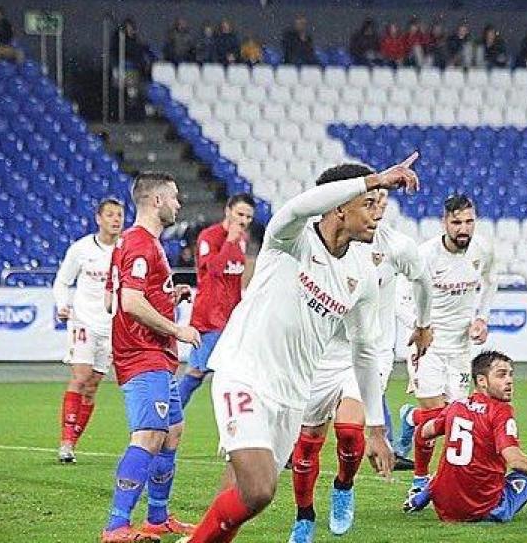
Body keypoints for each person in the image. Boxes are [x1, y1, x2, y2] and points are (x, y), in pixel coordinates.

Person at [174, 154, 425, 543]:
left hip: (292, 398)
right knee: (258, 490)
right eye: (369, 204)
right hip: (246, 375)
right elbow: (301, 205)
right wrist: (374, 179)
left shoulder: (361, 275)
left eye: (380, 205)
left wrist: (376, 427)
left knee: (239, 496)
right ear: (338, 207)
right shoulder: (290, 238)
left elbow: (364, 352)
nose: (379, 215)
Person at [287, 189, 432, 543]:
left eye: (382, 198)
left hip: (369, 353)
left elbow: (423, 281)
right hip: (320, 354)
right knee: (307, 445)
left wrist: (424, 324)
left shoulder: (397, 246)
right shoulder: (315, 243)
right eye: (369, 198)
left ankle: (343, 486)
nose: (377, 204)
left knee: (351, 432)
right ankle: (304, 515)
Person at [101, 172, 199, 542]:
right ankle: (116, 525)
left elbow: (111, 299)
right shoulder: (141, 243)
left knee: (172, 431)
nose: (178, 204)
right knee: (148, 435)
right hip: (143, 354)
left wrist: (169, 298)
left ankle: (157, 518)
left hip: (154, 353)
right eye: (174, 198)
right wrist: (177, 330)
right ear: (156, 201)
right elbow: (128, 302)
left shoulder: (134, 242)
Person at [404, 350, 527, 522]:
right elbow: (515, 461)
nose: (509, 381)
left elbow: (423, 432)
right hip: (483, 509)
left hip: (444, 507)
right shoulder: (500, 411)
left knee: (461, 460)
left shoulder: (456, 406)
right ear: (482, 381)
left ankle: (425, 492)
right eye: (501, 375)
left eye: (511, 374)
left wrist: (421, 474)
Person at [396, 194, 497, 497]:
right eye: (457, 222)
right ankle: (419, 479)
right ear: (445, 222)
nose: (463, 228)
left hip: (461, 347)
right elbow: (399, 298)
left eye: (469, 221)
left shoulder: (483, 249)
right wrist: (420, 327)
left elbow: (491, 282)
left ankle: (408, 418)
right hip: (427, 346)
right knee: (436, 412)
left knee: (454, 415)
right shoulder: (425, 255)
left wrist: (482, 317)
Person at [53, 198, 125, 464]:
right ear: (99, 218)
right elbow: (62, 281)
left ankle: (73, 442)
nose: (115, 220)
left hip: (112, 327)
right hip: (83, 321)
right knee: (81, 376)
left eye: (119, 215)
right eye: (110, 215)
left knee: (93, 386)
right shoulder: (81, 249)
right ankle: (65, 442)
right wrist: (63, 304)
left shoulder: (126, 249)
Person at [177, 194, 255, 410]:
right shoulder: (209, 237)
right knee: (196, 373)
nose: (244, 220)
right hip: (210, 318)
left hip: (232, 319)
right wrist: (229, 241)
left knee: (234, 375)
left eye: (249, 217)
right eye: (240, 214)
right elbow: (213, 271)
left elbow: (235, 277)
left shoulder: (242, 239)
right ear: (228, 211)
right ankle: (167, 417)